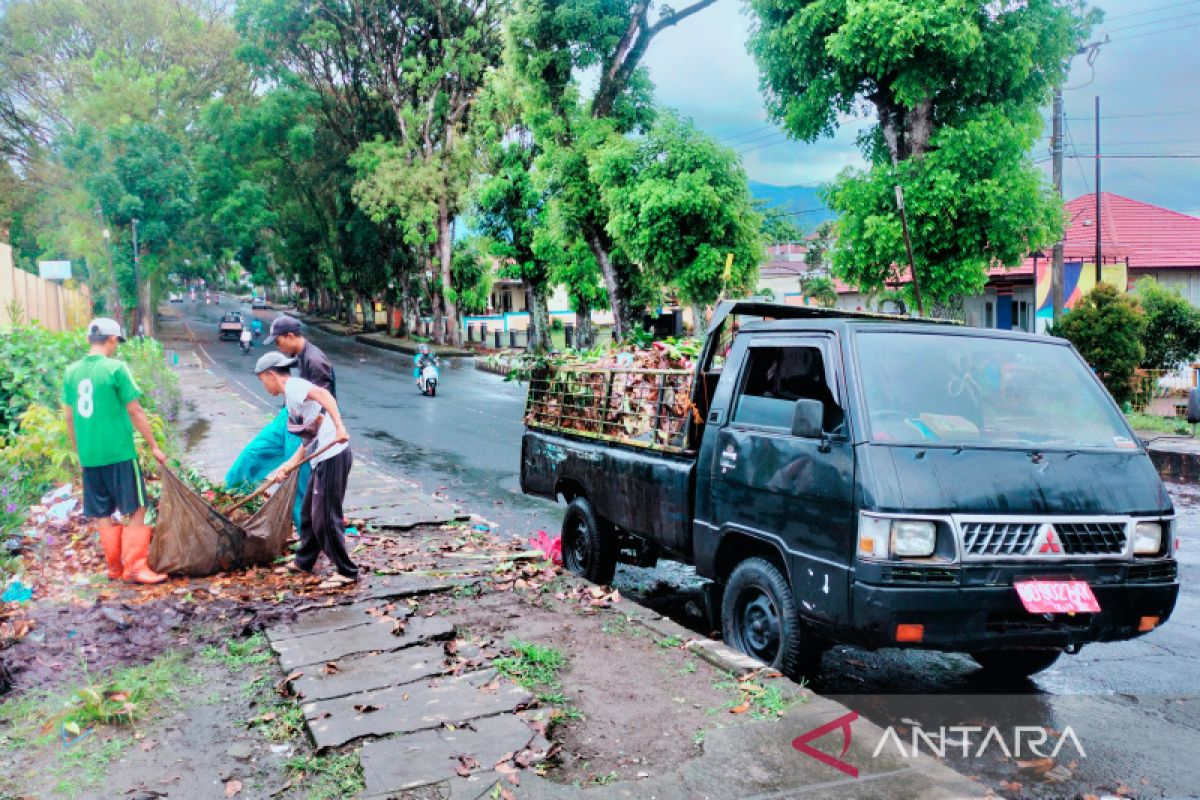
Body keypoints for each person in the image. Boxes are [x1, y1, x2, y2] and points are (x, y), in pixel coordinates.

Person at [62, 318, 168, 585]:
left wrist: (80, 453)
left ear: (89, 340)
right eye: (116, 342)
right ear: (111, 340)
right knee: (137, 507)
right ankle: (134, 567)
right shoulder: (116, 368)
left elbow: (69, 417)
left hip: (90, 456)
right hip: (119, 453)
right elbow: (135, 410)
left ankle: (114, 568)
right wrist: (154, 445)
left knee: (102, 512)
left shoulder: (71, 373)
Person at [224, 315, 337, 530]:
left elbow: (325, 406)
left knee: (296, 482)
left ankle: (310, 543)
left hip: (307, 423)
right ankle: (229, 497)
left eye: (278, 341)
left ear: (291, 336)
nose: (279, 346)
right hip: (289, 415)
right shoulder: (301, 357)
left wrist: (300, 452)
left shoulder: (316, 361)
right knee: (252, 454)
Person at [254, 352, 357, 585]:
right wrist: (289, 465)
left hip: (333, 456)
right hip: (320, 457)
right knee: (309, 513)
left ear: (271, 375)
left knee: (325, 517)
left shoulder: (294, 387)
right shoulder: (291, 399)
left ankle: (346, 571)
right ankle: (304, 562)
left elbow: (325, 395)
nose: (263, 385)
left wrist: (340, 427)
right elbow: (308, 438)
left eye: (262, 380)